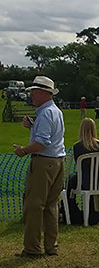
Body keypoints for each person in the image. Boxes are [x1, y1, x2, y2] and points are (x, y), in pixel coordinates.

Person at [13, 75, 66, 257]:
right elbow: (51, 136)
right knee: (51, 205)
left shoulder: (44, 113)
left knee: (34, 205)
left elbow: (42, 143)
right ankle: (51, 246)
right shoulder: (55, 111)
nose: (31, 96)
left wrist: (23, 150)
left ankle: (32, 248)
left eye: (34, 92)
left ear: (43, 93)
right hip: (58, 161)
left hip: (43, 162)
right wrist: (33, 127)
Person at [64, 118, 99, 225]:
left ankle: (70, 207)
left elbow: (78, 163)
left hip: (83, 182)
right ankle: (94, 211)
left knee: (70, 179)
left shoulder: (78, 147)